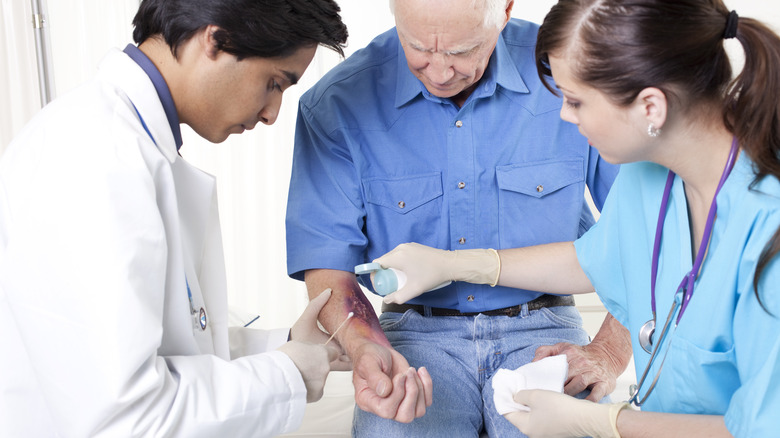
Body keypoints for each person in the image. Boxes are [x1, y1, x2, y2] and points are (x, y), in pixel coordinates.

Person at [373, 0, 780, 436]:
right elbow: (595, 260)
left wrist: (605, 423)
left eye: (575, 100)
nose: (565, 116)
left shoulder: (766, 227)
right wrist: (453, 265)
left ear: (650, 108)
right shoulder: (650, 176)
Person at [0, 0, 348, 436]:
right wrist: (287, 373)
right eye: (274, 83)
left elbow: (176, 343)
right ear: (216, 40)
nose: (272, 113)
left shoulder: (133, 148)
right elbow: (127, 418)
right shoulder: (90, 157)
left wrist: (289, 347)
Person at [285, 0, 632, 435]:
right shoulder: (335, 105)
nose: (440, 72)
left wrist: (609, 353)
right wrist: (365, 350)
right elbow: (328, 267)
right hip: (412, 334)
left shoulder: (570, 75)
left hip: (543, 330)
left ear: (504, 10)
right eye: (419, 48)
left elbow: (653, 235)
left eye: (462, 50)